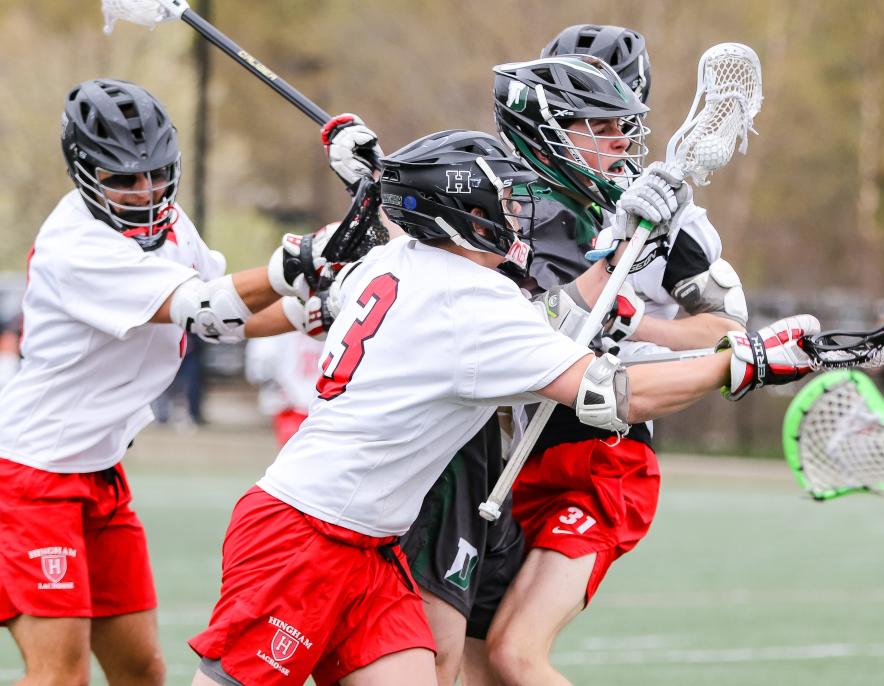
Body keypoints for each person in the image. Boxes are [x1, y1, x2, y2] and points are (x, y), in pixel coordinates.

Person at [186, 128, 817, 686]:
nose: (516, 216)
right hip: (304, 537)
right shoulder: (471, 304)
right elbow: (615, 395)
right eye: (504, 203)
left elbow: (551, 316)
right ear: (463, 215)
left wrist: (622, 243)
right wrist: (743, 363)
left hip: (369, 549)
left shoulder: (388, 262)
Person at [0, 78, 299, 685]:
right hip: (32, 476)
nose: (146, 191)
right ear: (84, 173)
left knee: (142, 670)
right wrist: (301, 263)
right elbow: (207, 306)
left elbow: (230, 320)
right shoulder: (76, 244)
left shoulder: (168, 218)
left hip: (99, 471)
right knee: (60, 674)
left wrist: (313, 308)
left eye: (158, 174)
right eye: (125, 179)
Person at [484, 49, 752, 685]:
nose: (618, 139)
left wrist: (636, 325)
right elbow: (519, 333)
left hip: (606, 449)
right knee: (475, 658)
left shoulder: (670, 217)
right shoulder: (500, 209)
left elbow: (726, 331)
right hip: (509, 454)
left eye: (620, 121)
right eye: (597, 124)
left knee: (514, 654)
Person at [244, 330, 327, 446]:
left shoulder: (277, 319)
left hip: (292, 403)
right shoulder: (340, 317)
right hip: (325, 402)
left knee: (296, 456)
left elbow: (262, 361)